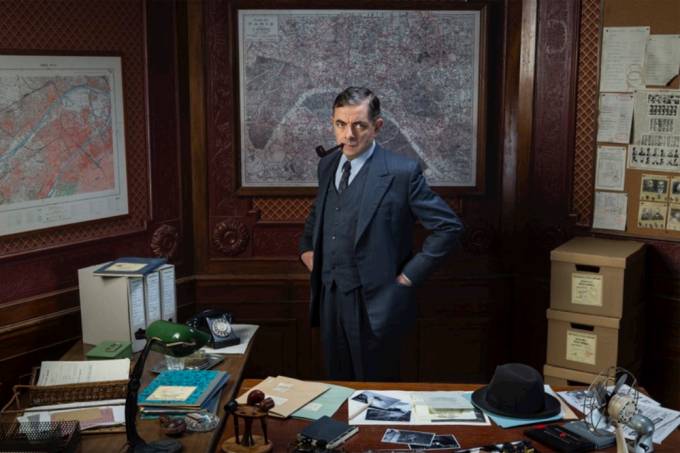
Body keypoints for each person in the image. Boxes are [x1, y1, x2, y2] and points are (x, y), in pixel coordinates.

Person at [299, 87, 463, 381]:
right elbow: (318, 214)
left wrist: (408, 277)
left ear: (377, 126)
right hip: (328, 296)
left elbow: (448, 227)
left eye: (359, 125)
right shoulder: (327, 165)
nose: (348, 135)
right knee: (336, 385)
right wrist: (307, 251)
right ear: (332, 123)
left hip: (375, 303)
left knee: (374, 391)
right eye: (340, 124)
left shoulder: (402, 172)